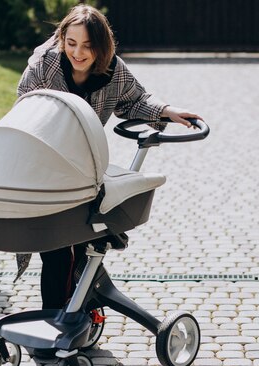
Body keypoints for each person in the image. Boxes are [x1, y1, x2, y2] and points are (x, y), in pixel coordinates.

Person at [16, 4, 202, 323]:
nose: (78, 52)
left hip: (82, 168)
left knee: (80, 237)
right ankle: (59, 320)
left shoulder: (112, 70)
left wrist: (167, 111)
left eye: (87, 46)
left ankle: (74, 314)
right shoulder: (44, 64)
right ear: (61, 39)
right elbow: (23, 107)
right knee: (57, 246)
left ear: (101, 46)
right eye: (71, 43)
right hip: (45, 163)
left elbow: (136, 99)